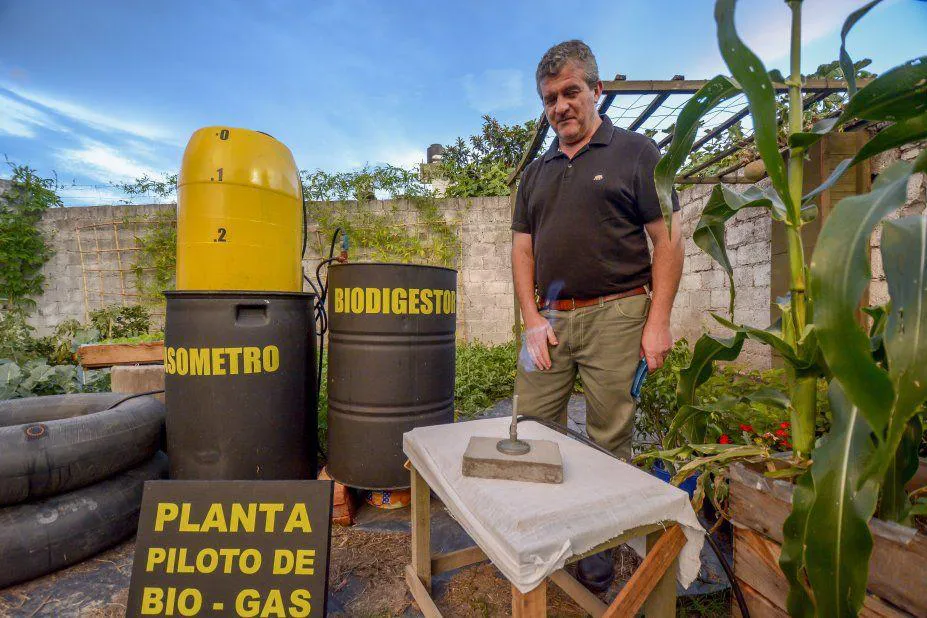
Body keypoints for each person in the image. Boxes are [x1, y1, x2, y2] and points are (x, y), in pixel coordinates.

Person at [511, 40, 683, 593]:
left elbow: (668, 241)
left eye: (570, 92)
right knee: (533, 428)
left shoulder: (636, 152)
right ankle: (546, 533)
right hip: (551, 322)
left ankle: (600, 549)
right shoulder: (534, 175)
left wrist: (657, 322)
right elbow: (521, 250)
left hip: (619, 314)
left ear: (596, 90)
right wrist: (531, 319)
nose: (560, 106)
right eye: (549, 98)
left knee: (611, 435)